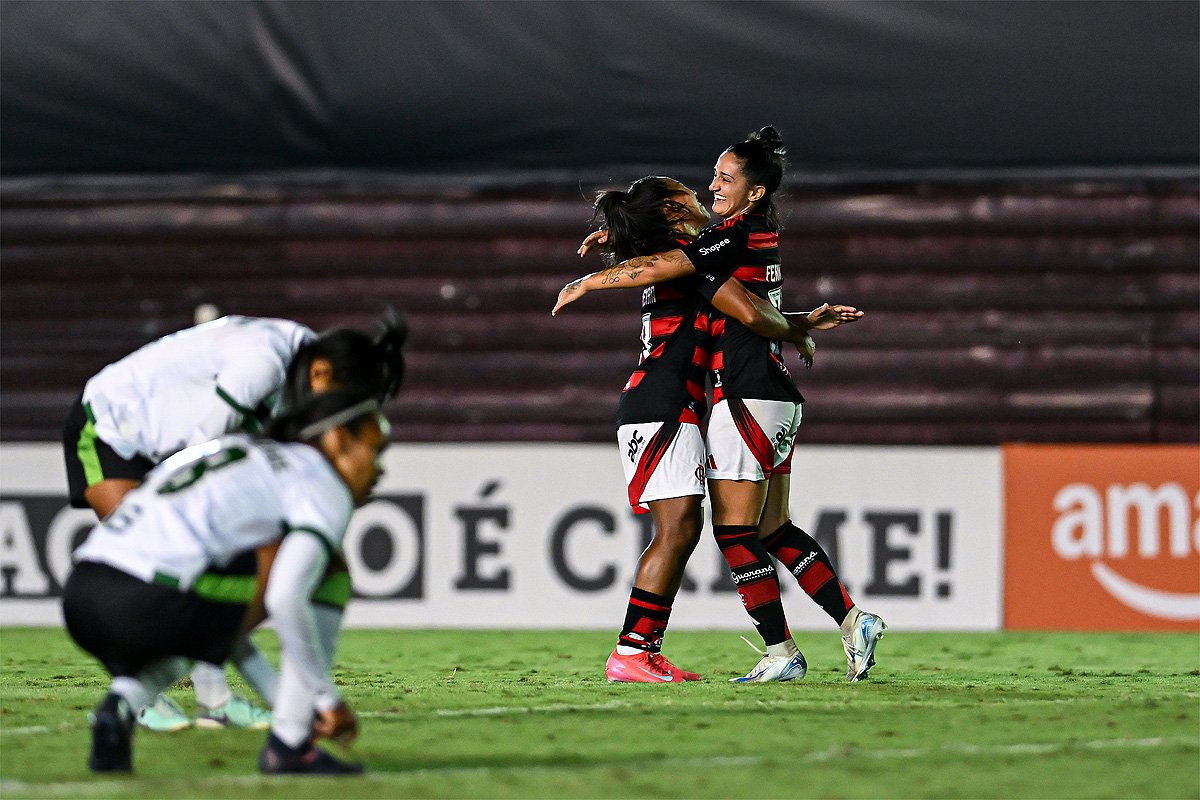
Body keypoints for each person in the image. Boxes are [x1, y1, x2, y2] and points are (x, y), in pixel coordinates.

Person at [555, 127, 885, 683]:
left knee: (730, 532)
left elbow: (739, 307)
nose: (706, 190)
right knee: (748, 527)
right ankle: (643, 649)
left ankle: (778, 650)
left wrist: (600, 270)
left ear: (753, 192)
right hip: (689, 401)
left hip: (732, 394)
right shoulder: (721, 247)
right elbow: (724, 295)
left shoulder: (718, 247)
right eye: (695, 188)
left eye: (721, 180)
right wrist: (799, 326)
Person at [61, 311, 406, 730]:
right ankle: (152, 696)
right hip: (110, 427)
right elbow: (200, 452)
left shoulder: (300, 368)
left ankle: (196, 699)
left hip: (162, 446)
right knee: (159, 567)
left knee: (209, 582)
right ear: (321, 372)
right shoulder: (264, 362)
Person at [63, 390, 388, 775]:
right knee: (329, 571)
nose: (379, 468)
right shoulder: (319, 479)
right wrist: (325, 698)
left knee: (195, 626)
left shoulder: (239, 450)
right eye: (374, 449)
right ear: (337, 439)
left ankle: (121, 706)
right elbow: (285, 597)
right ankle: (292, 745)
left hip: (81, 593)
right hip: (147, 599)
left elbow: (224, 627)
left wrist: (275, 693)